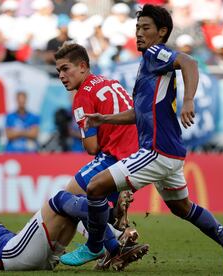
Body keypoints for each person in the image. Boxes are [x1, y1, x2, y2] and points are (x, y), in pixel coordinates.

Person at [60, 4, 223, 273]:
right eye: (137, 27)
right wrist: (105, 120)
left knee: (94, 187)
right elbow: (139, 114)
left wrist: (188, 101)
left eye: (145, 28)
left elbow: (189, 62)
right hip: (170, 152)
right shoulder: (148, 64)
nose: (139, 33)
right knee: (182, 207)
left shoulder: (154, 53)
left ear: (161, 32)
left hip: (156, 151)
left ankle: (94, 245)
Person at [0, 167, 148, 271]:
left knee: (73, 205)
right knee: (61, 198)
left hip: (39, 259)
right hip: (9, 255)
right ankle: (112, 222)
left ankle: (111, 247)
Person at [54, 42, 141, 266]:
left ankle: (113, 241)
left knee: (70, 195)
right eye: (58, 71)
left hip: (115, 154)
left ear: (82, 66)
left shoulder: (82, 96)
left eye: (65, 69)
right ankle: (115, 244)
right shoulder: (108, 81)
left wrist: (83, 135)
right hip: (137, 155)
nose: (62, 76)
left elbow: (92, 147)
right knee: (99, 206)